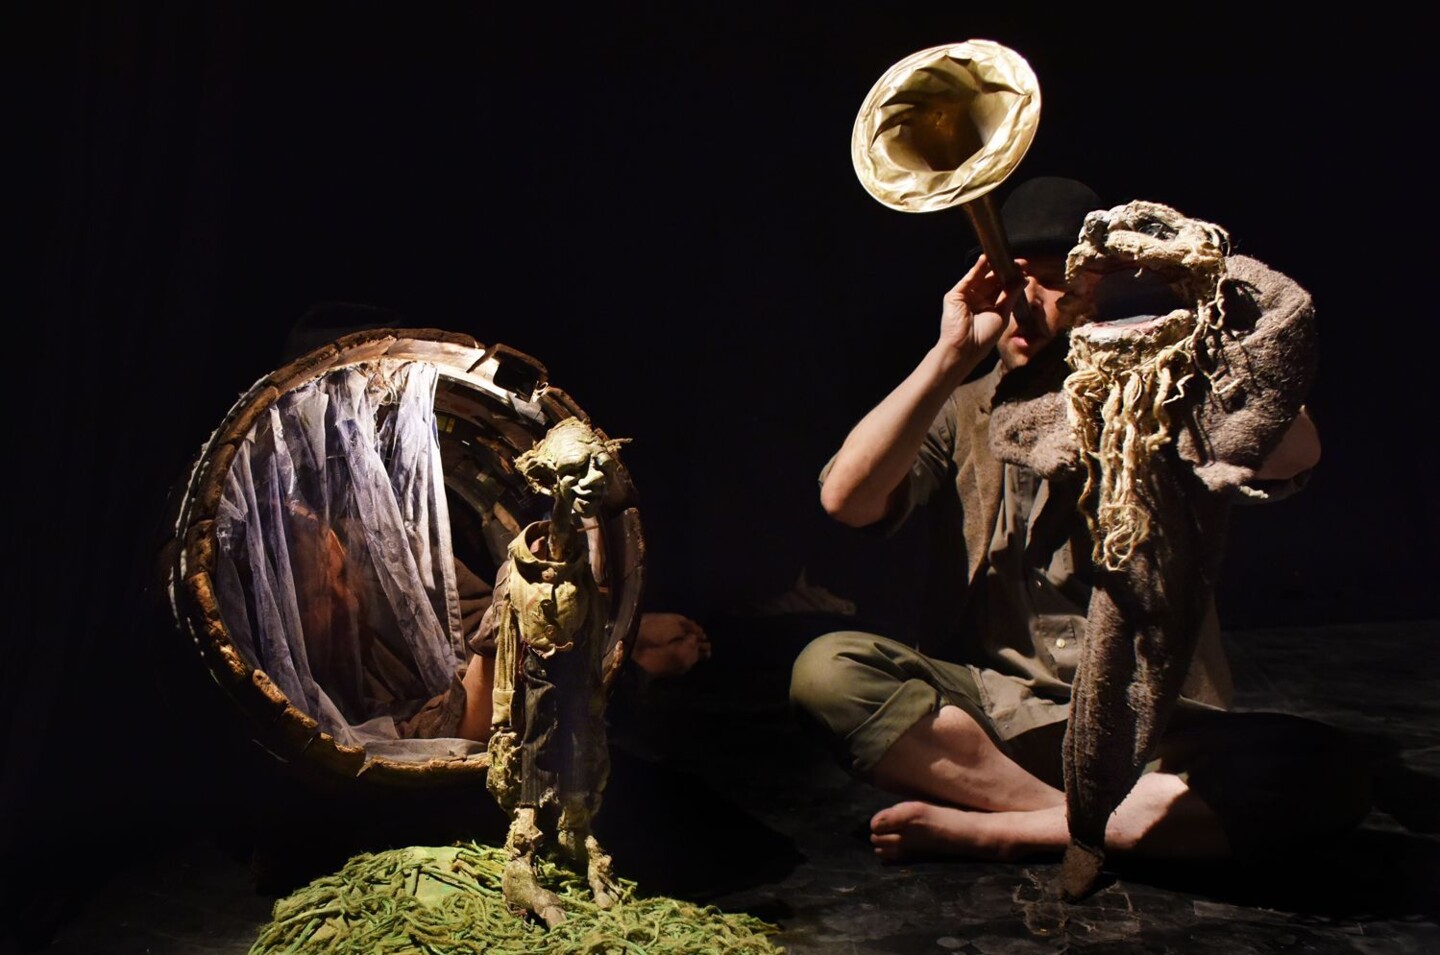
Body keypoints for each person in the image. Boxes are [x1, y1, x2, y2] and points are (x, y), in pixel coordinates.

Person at [789, 177, 1369, 869]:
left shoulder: (1160, 395)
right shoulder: (962, 408)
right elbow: (846, 498)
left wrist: (1189, 340)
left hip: (1146, 726)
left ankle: (1019, 830)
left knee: (1326, 773)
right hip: (998, 717)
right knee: (829, 672)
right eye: (1012, 283)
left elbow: (1294, 452)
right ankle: (1089, 826)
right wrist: (949, 356)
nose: (1023, 304)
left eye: (1052, 284)